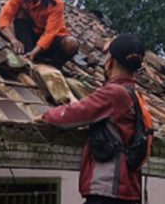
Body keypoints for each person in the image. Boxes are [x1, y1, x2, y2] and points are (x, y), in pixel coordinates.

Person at [34, 33, 146, 204]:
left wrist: (46, 115)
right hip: (127, 188)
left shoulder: (114, 93)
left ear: (111, 61)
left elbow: (74, 113)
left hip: (110, 188)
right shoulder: (135, 95)